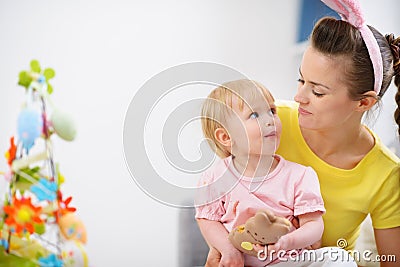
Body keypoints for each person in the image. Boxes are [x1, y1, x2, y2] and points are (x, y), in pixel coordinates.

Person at [204, 3, 400, 267]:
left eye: (317, 92)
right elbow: (224, 194)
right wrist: (223, 247)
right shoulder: (272, 122)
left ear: (364, 103)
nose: (299, 97)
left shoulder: (386, 174)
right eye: (301, 80)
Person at [195, 79, 356, 266]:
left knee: (338, 257)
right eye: (254, 115)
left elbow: (314, 226)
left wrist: (287, 242)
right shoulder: (215, 178)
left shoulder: (300, 176)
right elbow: (208, 220)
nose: (269, 120)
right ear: (226, 137)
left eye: (272, 111)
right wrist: (229, 251)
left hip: (290, 260)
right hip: (244, 263)